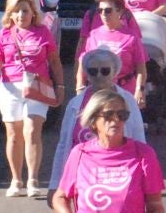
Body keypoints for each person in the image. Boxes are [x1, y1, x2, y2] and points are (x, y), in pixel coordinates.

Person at [0, 0, 64, 198]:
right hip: (10, 88)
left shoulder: (43, 32)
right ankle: (16, 180)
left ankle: (33, 179)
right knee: (14, 134)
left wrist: (60, 87)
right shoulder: (5, 34)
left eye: (24, 11)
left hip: (36, 86)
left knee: (32, 130)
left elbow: (54, 61)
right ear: (10, 14)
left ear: (32, 13)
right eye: (16, 11)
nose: (20, 15)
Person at [48, 49, 148, 194]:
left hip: (118, 175)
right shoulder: (75, 104)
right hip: (82, 177)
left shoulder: (127, 101)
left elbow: (140, 140)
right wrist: (54, 184)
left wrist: (144, 180)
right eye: (93, 71)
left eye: (105, 71)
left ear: (115, 72)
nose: (99, 75)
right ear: (87, 74)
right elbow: (63, 144)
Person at [78, 0, 148, 108]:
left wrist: (140, 89)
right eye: (100, 11)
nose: (103, 14)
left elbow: (141, 68)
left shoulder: (131, 37)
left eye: (108, 10)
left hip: (125, 91)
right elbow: (82, 64)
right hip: (97, 92)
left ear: (120, 11)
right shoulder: (93, 35)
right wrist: (79, 88)